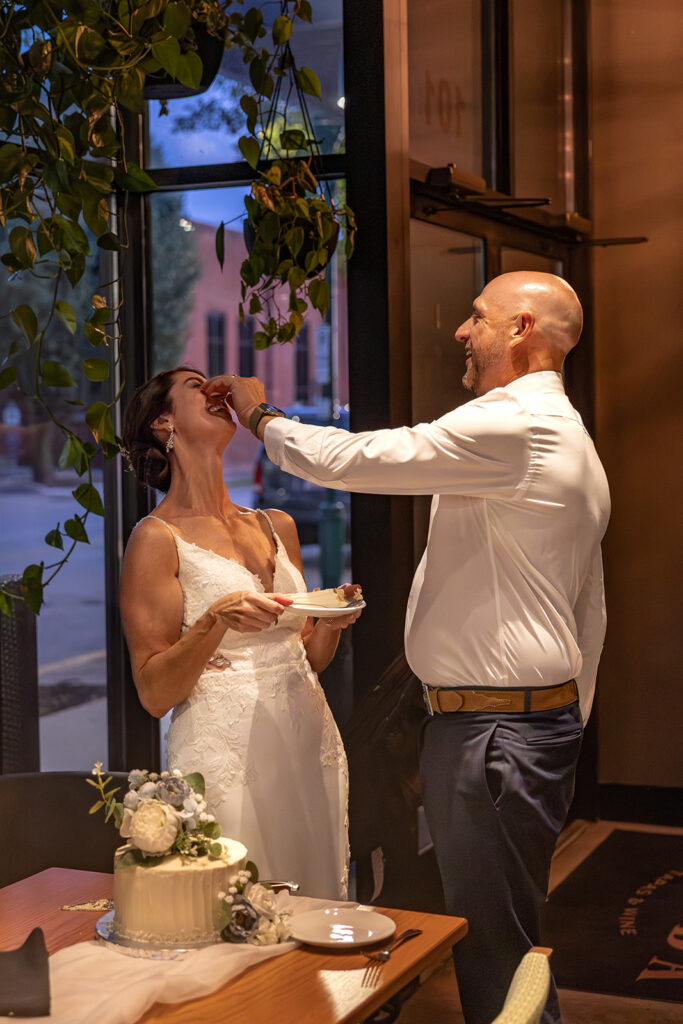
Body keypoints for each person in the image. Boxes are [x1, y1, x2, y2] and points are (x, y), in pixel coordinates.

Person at [217, 272, 610, 1024]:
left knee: (494, 946)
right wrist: (564, 718)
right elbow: (588, 604)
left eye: (476, 316)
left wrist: (257, 411)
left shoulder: (514, 427)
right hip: (516, 726)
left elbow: (352, 461)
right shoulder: (567, 436)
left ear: (521, 328)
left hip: (494, 734)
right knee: (504, 938)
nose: (462, 332)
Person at [118, 366, 362, 900]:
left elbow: (306, 655)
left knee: (313, 902)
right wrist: (213, 621)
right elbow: (154, 693)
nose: (214, 390)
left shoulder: (277, 524)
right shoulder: (157, 538)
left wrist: (332, 620)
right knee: (238, 906)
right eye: (194, 385)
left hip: (305, 738)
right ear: (164, 422)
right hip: (225, 751)